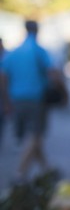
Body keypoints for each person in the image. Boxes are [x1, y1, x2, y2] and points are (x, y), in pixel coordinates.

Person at [0, 20, 55, 182]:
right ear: (37, 30)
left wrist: (6, 100)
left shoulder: (14, 53)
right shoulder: (38, 51)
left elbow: (3, 77)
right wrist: (64, 93)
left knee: (32, 136)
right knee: (35, 135)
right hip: (36, 99)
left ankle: (47, 169)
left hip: (16, 99)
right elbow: (52, 72)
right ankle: (20, 172)